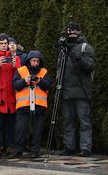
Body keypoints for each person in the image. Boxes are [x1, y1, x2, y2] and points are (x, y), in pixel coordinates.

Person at [56, 21, 96, 156]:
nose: (72, 33)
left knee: (84, 121)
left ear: (79, 32)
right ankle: (69, 147)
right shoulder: (63, 50)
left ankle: (85, 148)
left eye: (74, 30)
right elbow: (59, 69)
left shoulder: (86, 47)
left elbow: (90, 66)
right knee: (68, 121)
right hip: (66, 91)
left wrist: (79, 59)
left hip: (81, 91)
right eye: (69, 30)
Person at [12, 49, 51, 158]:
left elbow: (48, 85)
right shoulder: (20, 71)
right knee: (21, 129)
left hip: (39, 105)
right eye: (33, 61)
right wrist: (25, 80)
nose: (35, 63)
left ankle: (35, 150)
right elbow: (15, 85)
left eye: (37, 61)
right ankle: (18, 149)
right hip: (23, 104)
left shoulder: (44, 72)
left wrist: (40, 81)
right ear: (29, 60)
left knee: (37, 129)